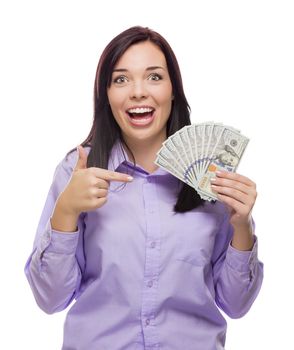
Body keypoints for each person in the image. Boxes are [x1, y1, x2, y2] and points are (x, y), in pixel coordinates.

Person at [24, 26, 264, 350]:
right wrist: (65, 212)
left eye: (154, 77)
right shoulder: (76, 171)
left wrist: (242, 227)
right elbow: (50, 300)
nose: (138, 92)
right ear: (106, 95)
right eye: (121, 79)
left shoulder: (211, 179)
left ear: (173, 90)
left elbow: (236, 305)